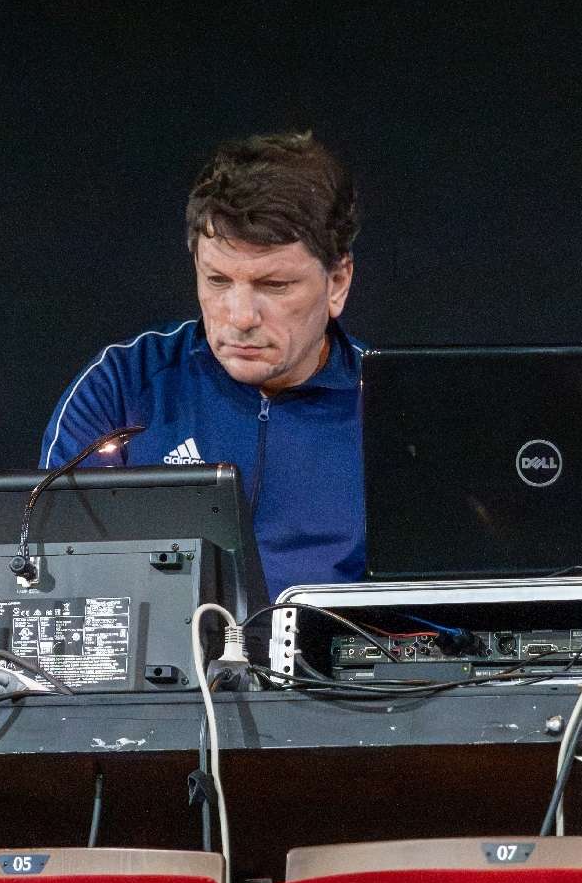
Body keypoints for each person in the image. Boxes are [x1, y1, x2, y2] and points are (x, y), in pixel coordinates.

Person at [39, 131, 364, 594]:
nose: (241, 316)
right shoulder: (120, 386)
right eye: (217, 280)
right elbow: (60, 586)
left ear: (337, 282)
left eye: (274, 286)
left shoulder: (397, 411)